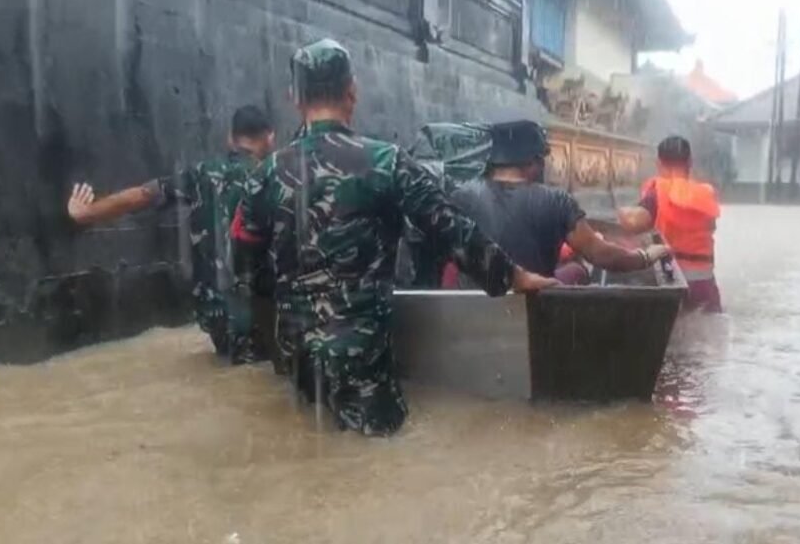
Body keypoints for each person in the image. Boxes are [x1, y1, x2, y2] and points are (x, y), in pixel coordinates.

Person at [231, 38, 556, 436]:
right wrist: (512, 276)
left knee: (310, 444)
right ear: (352, 91)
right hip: (363, 360)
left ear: (293, 98)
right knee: (378, 453)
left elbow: (245, 267)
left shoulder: (264, 175)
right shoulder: (386, 162)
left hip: (297, 355)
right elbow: (448, 227)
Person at [65, 105, 277, 363]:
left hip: (216, 313)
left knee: (233, 364)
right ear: (270, 137)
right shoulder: (274, 176)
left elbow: (143, 195)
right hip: (261, 314)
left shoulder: (202, 174)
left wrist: (87, 213)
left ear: (230, 138)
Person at [448, 120, 670, 283]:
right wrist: (645, 255)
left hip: (473, 305)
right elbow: (601, 255)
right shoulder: (556, 201)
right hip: (536, 302)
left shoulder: (460, 196)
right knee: (579, 270)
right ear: (533, 161)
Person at [618, 135, 722, 313]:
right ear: (689, 162)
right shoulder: (706, 193)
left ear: (658, 163)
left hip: (673, 283)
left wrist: (620, 211)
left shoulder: (657, 193)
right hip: (705, 285)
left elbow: (633, 222)